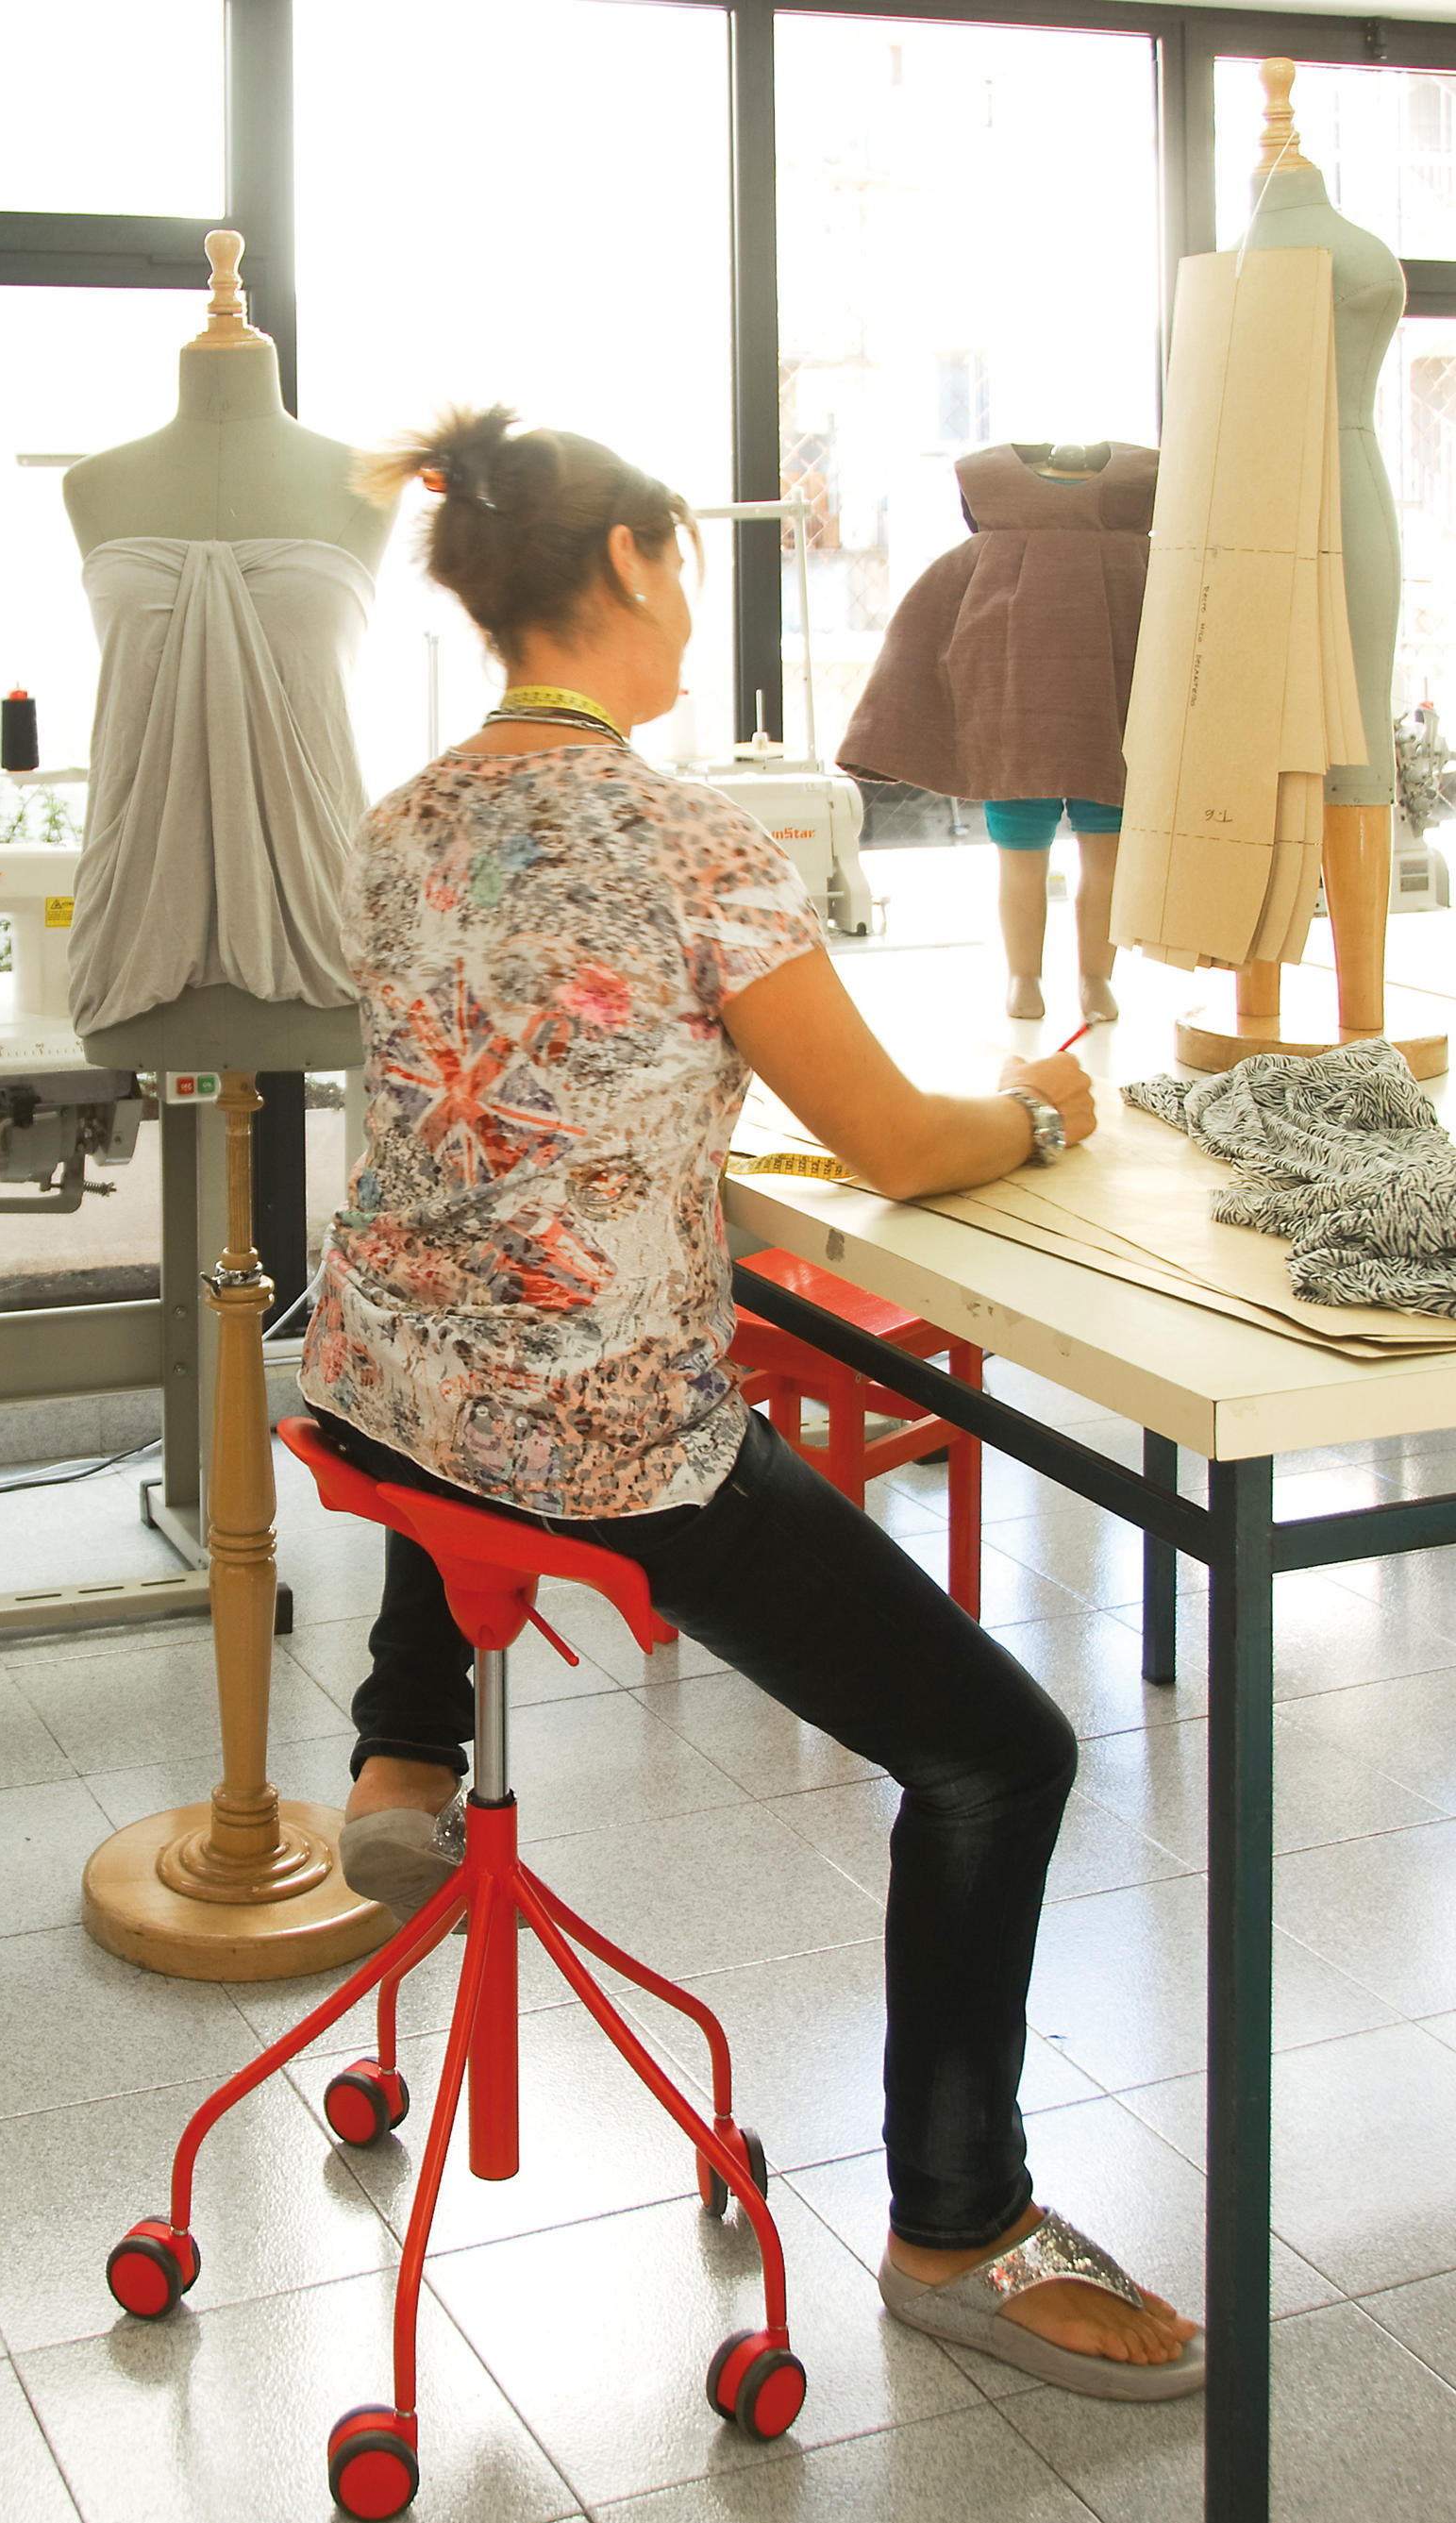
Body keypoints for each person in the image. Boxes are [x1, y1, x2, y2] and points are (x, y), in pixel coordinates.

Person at [301, 404, 1201, 2402]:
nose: (693, 609)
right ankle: (958, 2226)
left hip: (373, 1393)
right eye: (686, 569)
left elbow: (515, 1109)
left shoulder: (401, 820)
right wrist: (1043, 1104)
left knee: (480, 1331)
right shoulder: (689, 839)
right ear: (628, 563)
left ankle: (400, 1750)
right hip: (594, 1447)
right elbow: (896, 1141)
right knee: (1000, 1758)